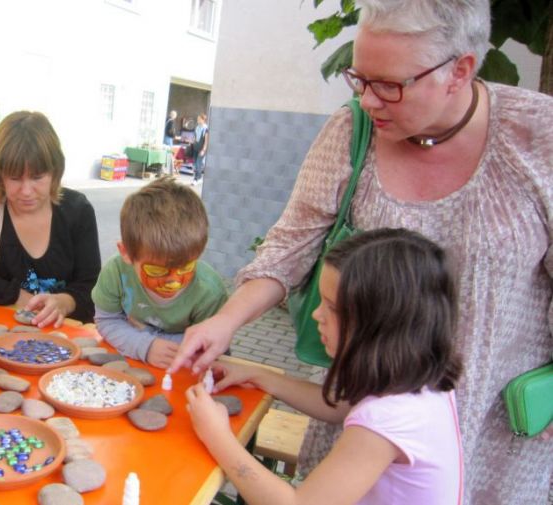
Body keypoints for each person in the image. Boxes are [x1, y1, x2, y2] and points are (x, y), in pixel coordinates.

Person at [170, 0, 553, 502]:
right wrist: (230, 326)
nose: (368, 100)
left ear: (460, 70)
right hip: (371, 384)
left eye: (389, 84)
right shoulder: (404, 393)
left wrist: (219, 438)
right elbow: (289, 248)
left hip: (502, 424)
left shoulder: (539, 134)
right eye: (359, 78)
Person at [187, 229, 463, 505]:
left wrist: (216, 435)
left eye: (332, 307)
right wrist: (260, 376)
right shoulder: (418, 381)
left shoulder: (386, 419)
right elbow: (338, 405)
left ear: (380, 324)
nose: (317, 314)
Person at [0, 111, 101, 327]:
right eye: (15, 178)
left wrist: (65, 302)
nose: (26, 191)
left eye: (37, 177)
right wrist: (15, 294)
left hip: (60, 337)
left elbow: (93, 288)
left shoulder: (78, 211)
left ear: (55, 172)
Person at [91, 177, 228, 368]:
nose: (173, 282)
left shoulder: (210, 291)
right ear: (126, 253)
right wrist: (145, 346)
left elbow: (212, 344)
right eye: (157, 271)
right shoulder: (115, 272)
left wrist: (147, 337)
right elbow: (106, 320)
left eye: (186, 267)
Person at [191, 113, 208, 186]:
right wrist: (192, 141)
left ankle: (195, 179)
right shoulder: (197, 127)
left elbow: (206, 141)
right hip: (195, 147)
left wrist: (203, 150)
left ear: (203, 120)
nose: (198, 120)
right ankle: (200, 178)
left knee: (198, 164)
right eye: (197, 119)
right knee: (195, 164)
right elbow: (195, 138)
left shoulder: (206, 129)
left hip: (201, 149)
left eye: (199, 119)